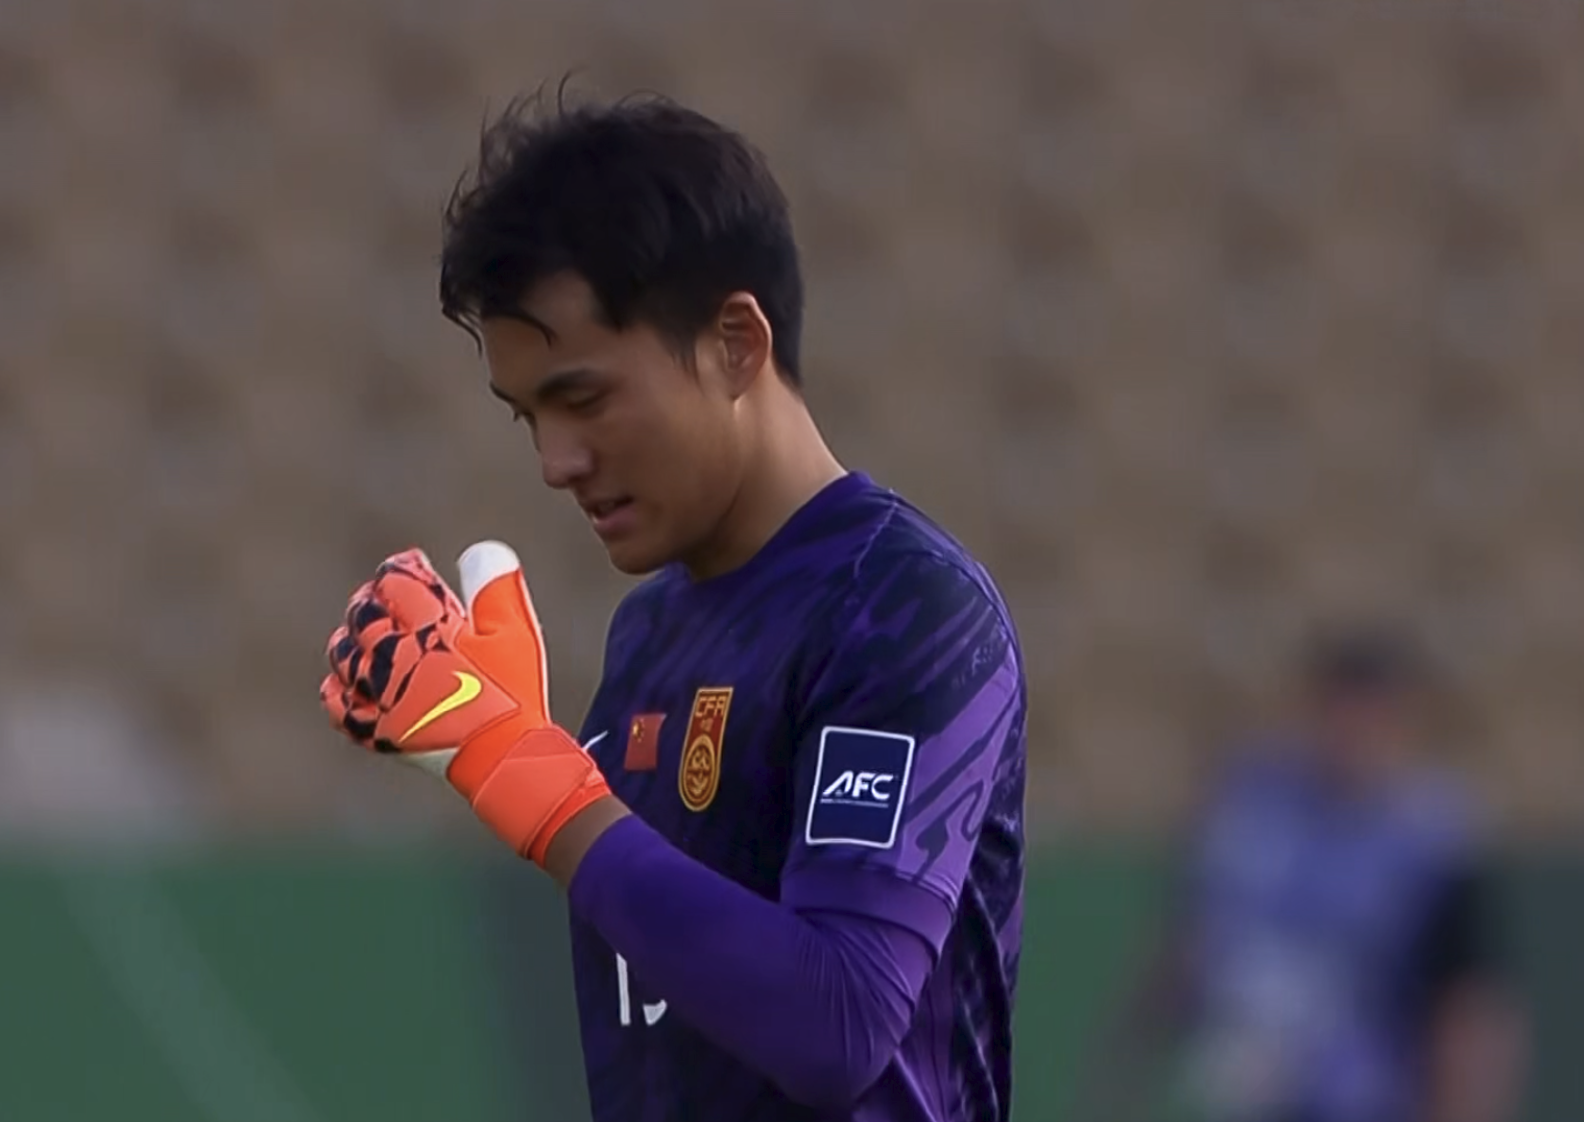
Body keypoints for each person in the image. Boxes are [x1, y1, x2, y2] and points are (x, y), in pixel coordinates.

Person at [320, 87, 1027, 1122]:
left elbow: (837, 1025)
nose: (556, 461)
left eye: (584, 398)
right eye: (527, 417)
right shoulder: (648, 633)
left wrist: (526, 777)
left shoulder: (903, 608)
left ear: (735, 343)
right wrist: (531, 766)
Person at [1073, 626, 1525, 1122]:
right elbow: (1192, 946)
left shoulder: (1434, 842)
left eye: (1372, 716)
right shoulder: (1254, 804)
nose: (1354, 733)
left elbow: (1467, 1007)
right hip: (1244, 1091)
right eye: (1343, 711)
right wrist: (1131, 1050)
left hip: (1366, 1099)